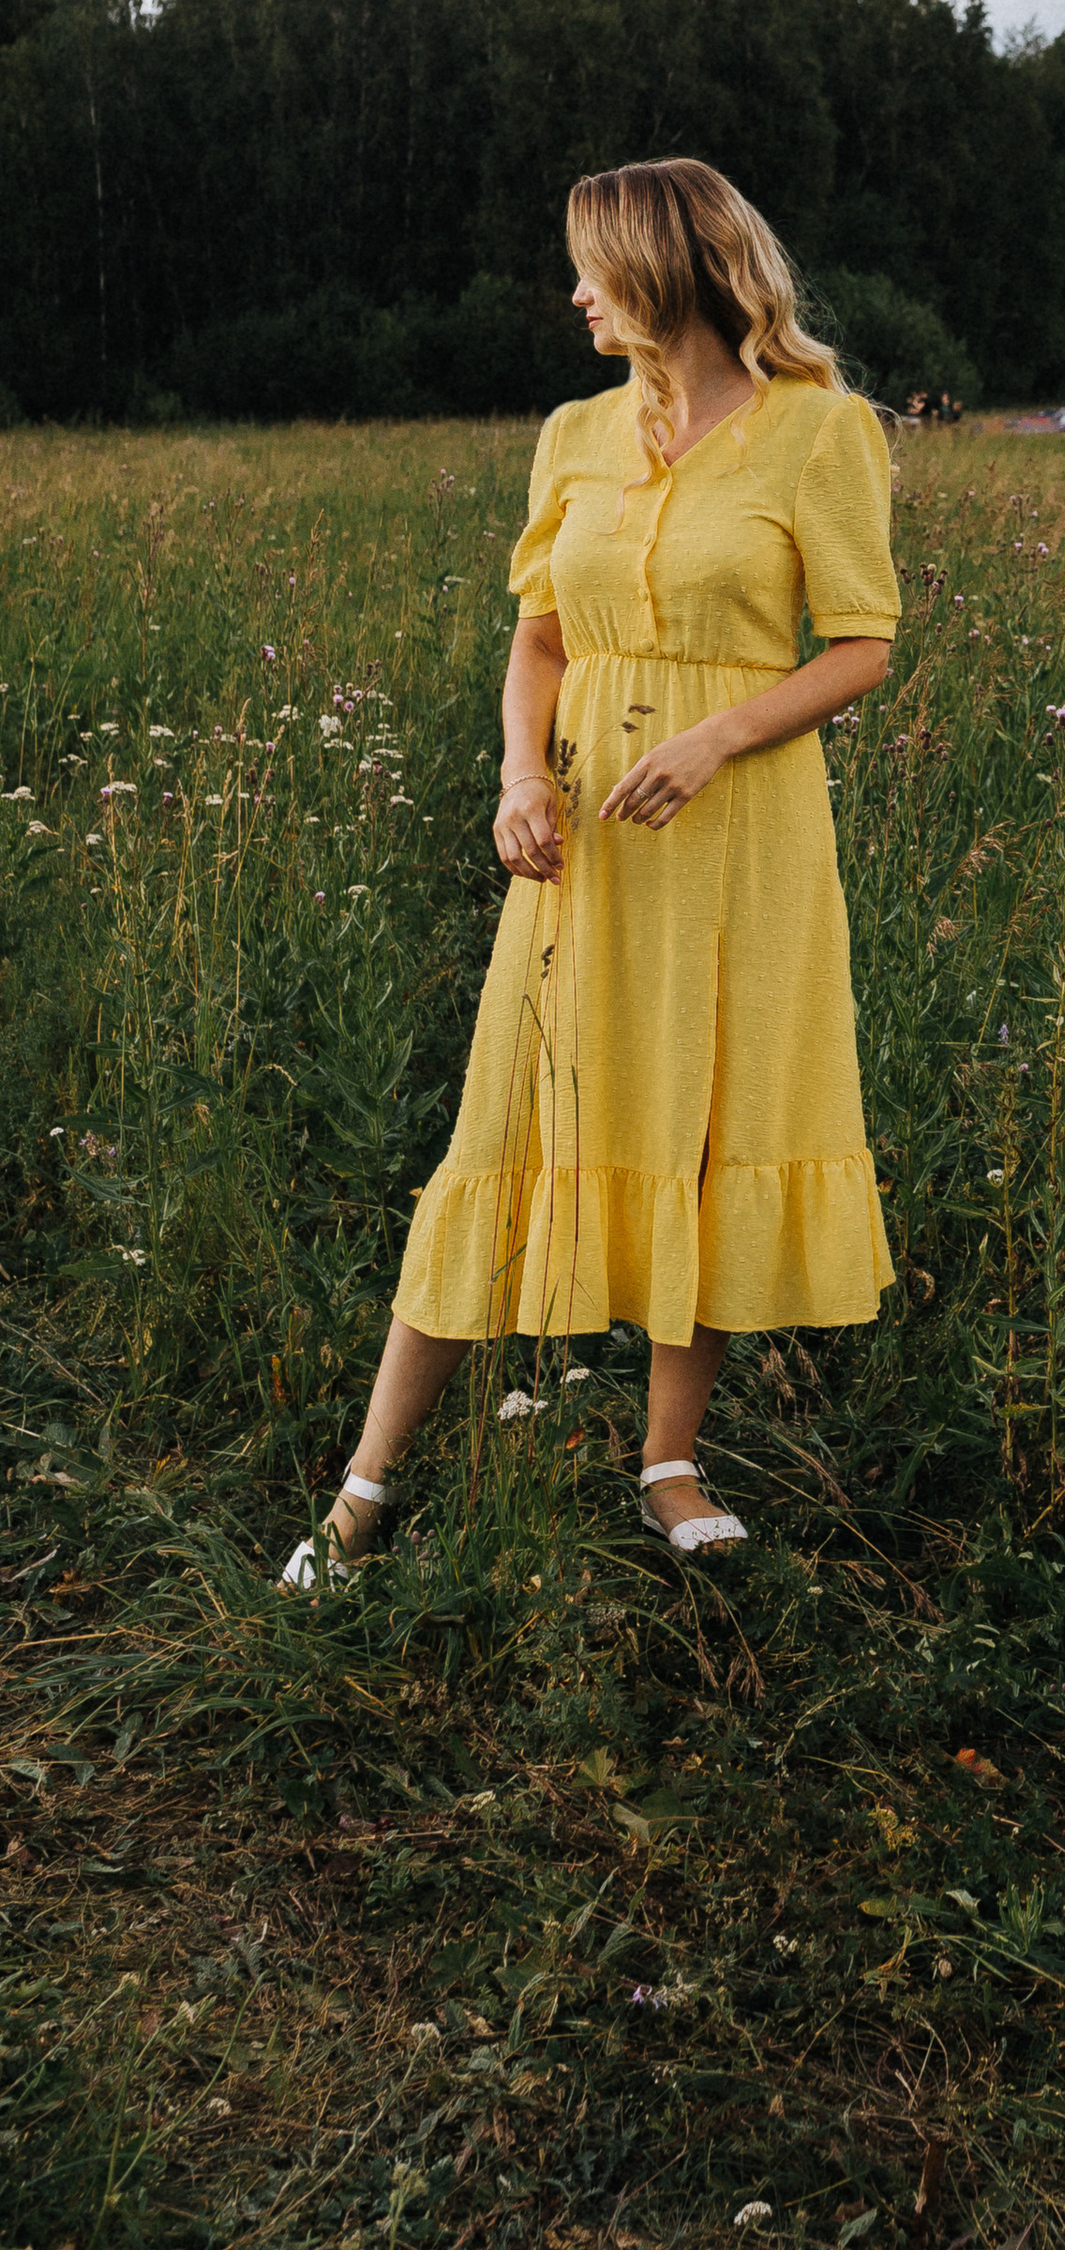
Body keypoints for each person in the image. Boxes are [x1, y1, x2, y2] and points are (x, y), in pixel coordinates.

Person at [280, 157, 901, 1587]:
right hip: (585, 845)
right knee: (503, 1123)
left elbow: (864, 644)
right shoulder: (574, 434)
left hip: (740, 837)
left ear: (663, 272)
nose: (573, 295)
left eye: (593, 269)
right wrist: (519, 776)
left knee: (709, 1120)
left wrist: (718, 737)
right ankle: (363, 1487)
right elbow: (541, 640)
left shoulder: (824, 431)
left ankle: (668, 1462)